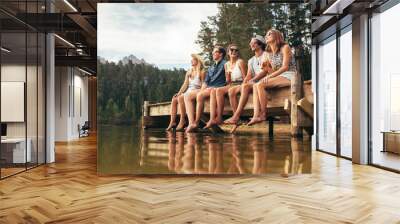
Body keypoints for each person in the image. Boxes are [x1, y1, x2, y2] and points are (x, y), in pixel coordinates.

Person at [247, 29, 297, 125]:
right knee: (255, 85)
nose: (266, 36)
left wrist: (270, 77)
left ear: (277, 36)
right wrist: (267, 69)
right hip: (280, 76)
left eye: (269, 34)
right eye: (266, 35)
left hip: (290, 74)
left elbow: (285, 67)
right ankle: (255, 115)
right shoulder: (269, 53)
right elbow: (273, 71)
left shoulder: (285, 47)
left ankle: (263, 114)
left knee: (260, 84)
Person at [224, 35, 268, 127]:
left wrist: (251, 81)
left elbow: (265, 71)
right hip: (254, 82)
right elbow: (248, 75)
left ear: (260, 44)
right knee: (232, 90)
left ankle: (236, 116)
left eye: (253, 43)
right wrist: (245, 82)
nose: (250, 44)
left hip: (265, 80)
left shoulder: (266, 55)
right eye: (250, 43)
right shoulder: (251, 60)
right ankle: (236, 117)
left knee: (245, 86)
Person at [185, 45, 227, 132]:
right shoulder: (211, 67)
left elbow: (228, 79)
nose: (212, 53)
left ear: (221, 54)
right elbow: (205, 82)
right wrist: (202, 90)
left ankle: (196, 122)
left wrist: (202, 92)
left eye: (215, 52)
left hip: (218, 87)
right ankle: (191, 122)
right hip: (208, 88)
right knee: (187, 96)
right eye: (213, 52)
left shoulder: (225, 64)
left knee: (200, 95)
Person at [204, 44, 246, 129]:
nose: (234, 52)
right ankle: (219, 117)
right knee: (218, 90)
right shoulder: (226, 64)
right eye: (231, 50)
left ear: (238, 53)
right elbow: (228, 81)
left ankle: (234, 117)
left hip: (240, 83)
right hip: (231, 84)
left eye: (236, 50)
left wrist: (243, 87)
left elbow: (245, 77)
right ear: (228, 52)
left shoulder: (240, 62)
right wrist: (228, 76)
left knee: (224, 90)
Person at [166, 54, 205, 131]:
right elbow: (185, 84)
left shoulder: (201, 72)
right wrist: (179, 92)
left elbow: (204, 84)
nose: (191, 61)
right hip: (188, 91)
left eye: (193, 59)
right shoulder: (189, 72)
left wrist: (201, 93)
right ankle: (172, 122)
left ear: (198, 61)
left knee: (181, 98)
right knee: (175, 98)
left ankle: (182, 120)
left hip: (197, 91)